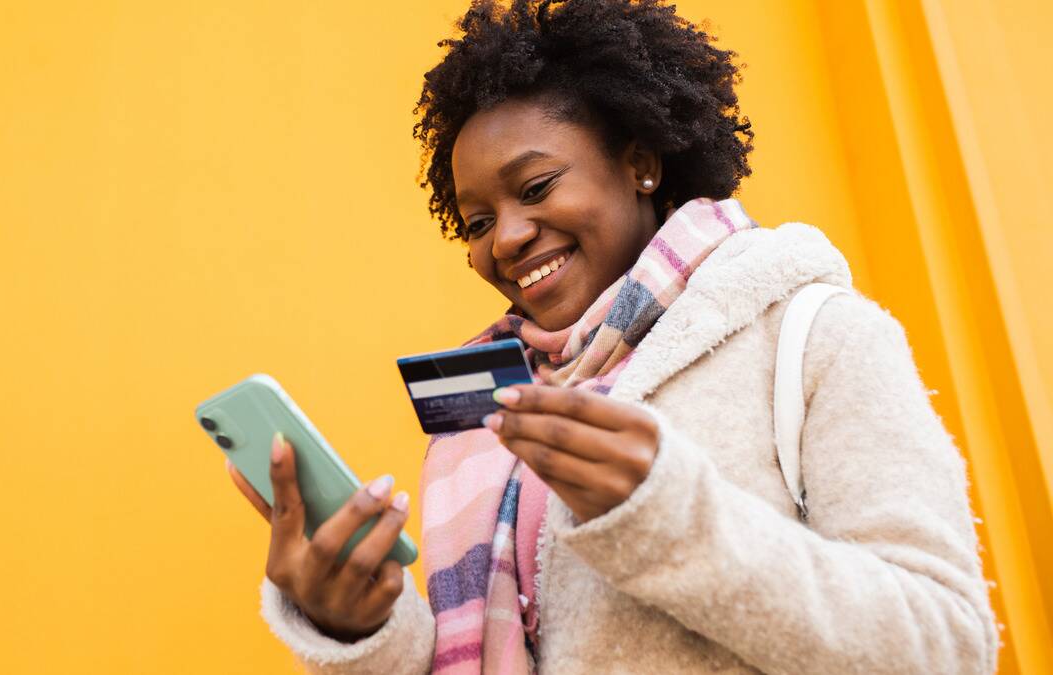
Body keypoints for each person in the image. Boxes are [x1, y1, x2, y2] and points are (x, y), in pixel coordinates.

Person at [227, 1, 999, 672]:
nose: (507, 239)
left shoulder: (814, 334)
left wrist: (666, 516)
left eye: (535, 188)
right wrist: (359, 624)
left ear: (641, 164)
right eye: (479, 222)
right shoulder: (487, 419)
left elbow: (948, 644)